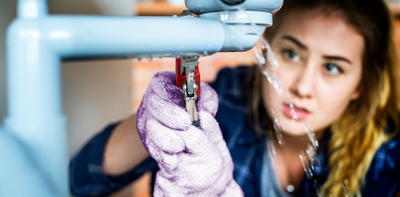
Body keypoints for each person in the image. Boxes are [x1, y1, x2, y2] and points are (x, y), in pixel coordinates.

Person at [69, 0, 400, 196]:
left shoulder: (385, 154)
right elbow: (80, 180)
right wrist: (146, 126)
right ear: (266, 45)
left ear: (360, 83)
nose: (302, 87)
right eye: (291, 54)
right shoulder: (226, 98)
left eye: (332, 67)